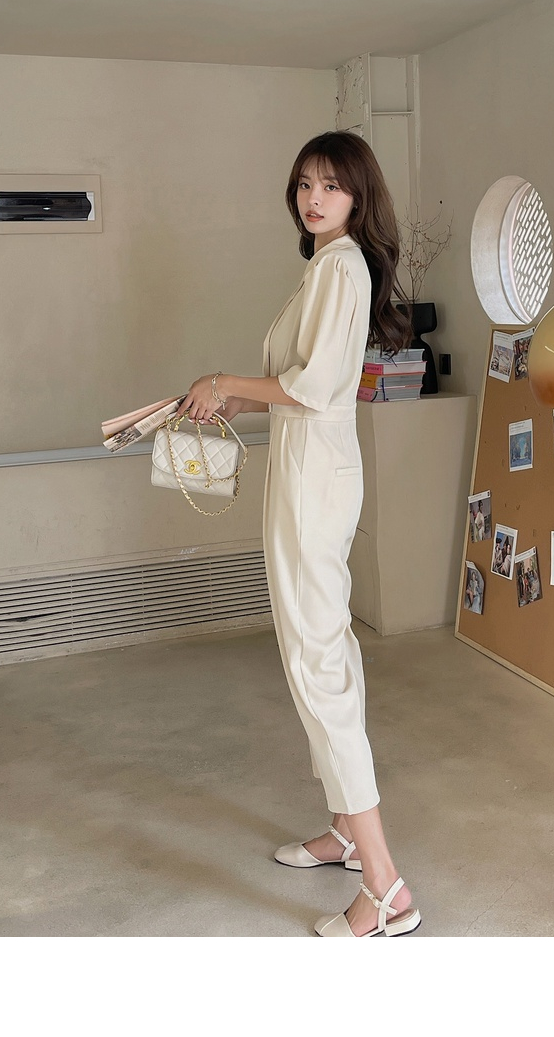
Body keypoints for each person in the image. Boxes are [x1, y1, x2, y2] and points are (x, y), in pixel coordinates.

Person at [177, 131, 421, 938]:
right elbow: (299, 384)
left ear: (357, 197)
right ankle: (346, 831)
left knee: (318, 662)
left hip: (315, 485)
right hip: (305, 474)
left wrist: (223, 380)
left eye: (332, 186)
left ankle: (385, 887)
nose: (314, 198)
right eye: (305, 184)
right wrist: (233, 400)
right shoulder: (325, 268)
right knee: (319, 649)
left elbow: (314, 386)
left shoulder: (342, 266)